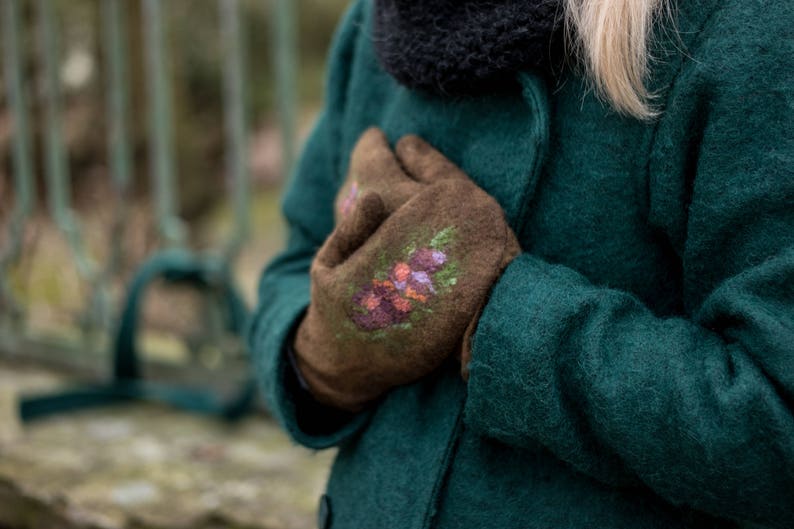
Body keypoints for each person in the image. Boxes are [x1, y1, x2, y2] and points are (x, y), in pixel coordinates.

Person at [248, 0, 794, 527]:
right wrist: (322, 352)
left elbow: (777, 423)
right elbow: (294, 262)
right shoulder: (380, 17)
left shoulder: (741, 29)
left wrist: (500, 313)